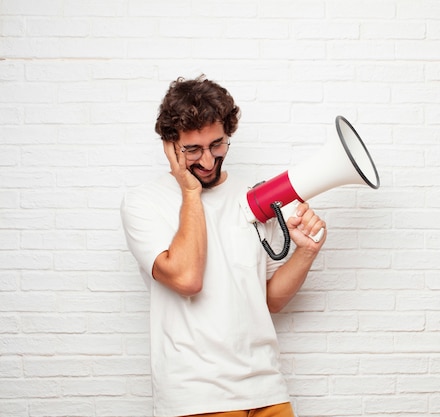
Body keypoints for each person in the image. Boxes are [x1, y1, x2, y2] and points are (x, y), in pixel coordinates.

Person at [120, 75, 326, 417]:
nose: (206, 161)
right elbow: (187, 279)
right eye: (192, 150)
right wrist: (189, 192)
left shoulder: (254, 198)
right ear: (170, 146)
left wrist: (306, 251)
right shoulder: (143, 203)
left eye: (217, 145)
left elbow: (271, 300)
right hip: (197, 396)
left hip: (266, 388)